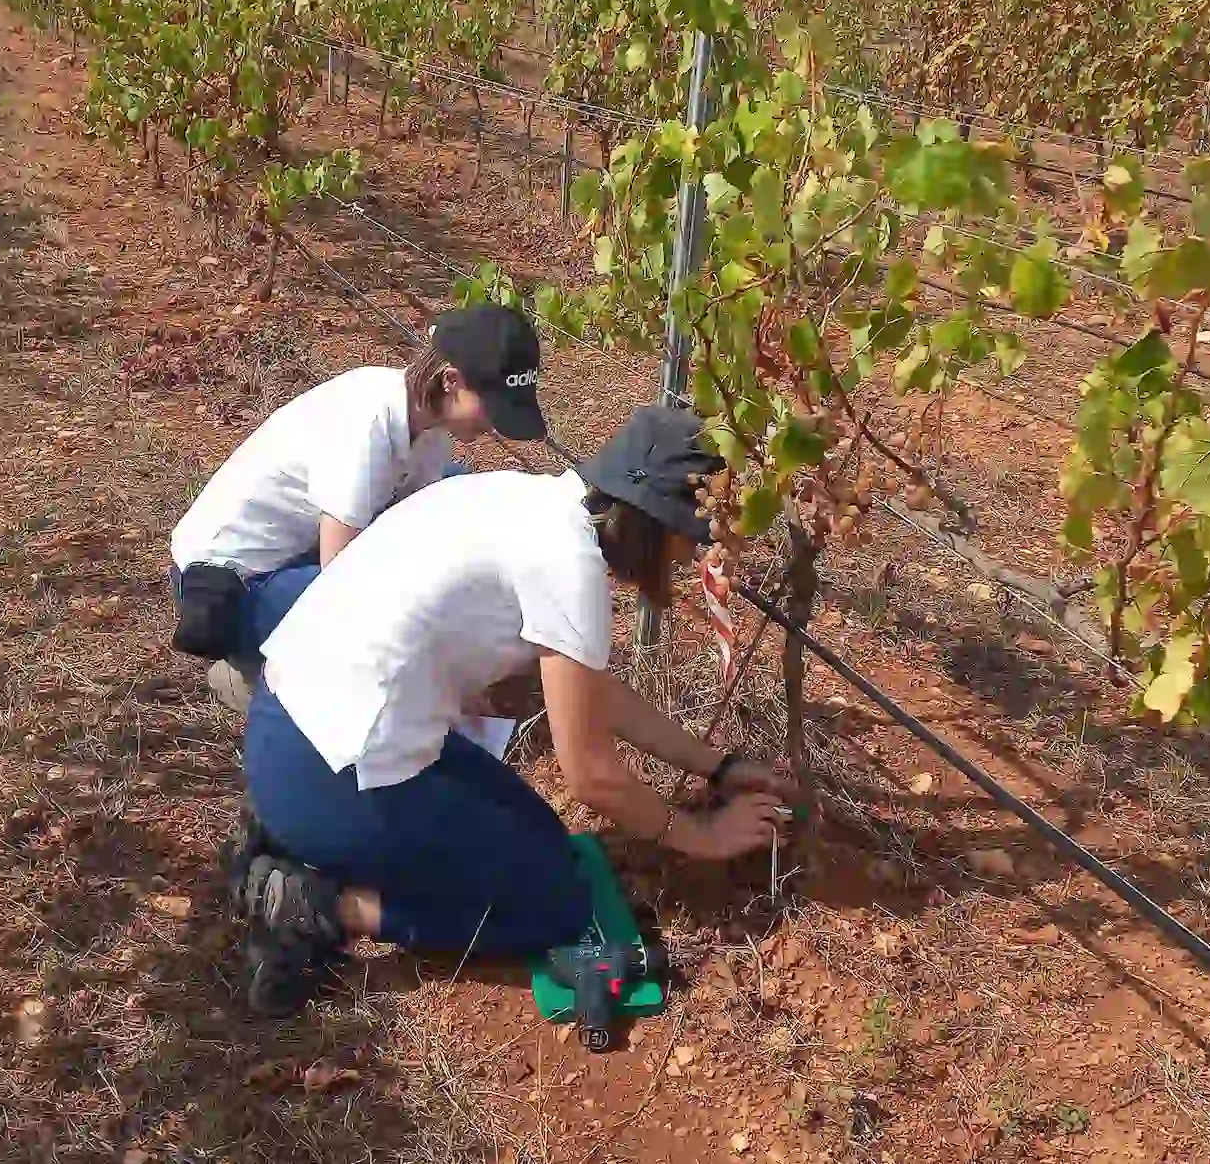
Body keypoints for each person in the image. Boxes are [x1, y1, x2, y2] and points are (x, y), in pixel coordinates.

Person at [231, 404, 797, 1015]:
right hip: (326, 770)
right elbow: (592, 777)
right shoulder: (569, 566)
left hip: (285, 731)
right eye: (692, 537)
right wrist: (702, 836)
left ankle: (301, 837)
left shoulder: (526, 503)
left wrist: (716, 767)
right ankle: (317, 906)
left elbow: (593, 692)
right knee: (551, 905)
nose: (693, 557)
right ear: (652, 522)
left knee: (543, 849)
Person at [169, 304, 547, 710]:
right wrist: (451, 678)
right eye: (492, 404)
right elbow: (343, 585)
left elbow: (419, 528)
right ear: (451, 381)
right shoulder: (366, 428)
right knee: (392, 625)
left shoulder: (428, 424)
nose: (494, 423)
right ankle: (262, 679)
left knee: (457, 501)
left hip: (298, 551)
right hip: (229, 587)